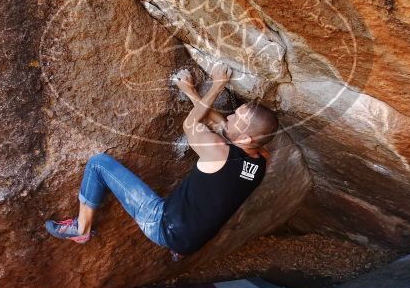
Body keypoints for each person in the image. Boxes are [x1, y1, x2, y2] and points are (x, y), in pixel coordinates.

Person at [45, 63, 279, 260]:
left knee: (98, 164)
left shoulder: (218, 151)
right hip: (193, 241)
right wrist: (191, 92)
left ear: (246, 139)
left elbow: (191, 124)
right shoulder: (261, 160)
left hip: (162, 225)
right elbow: (222, 126)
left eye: (236, 117)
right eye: (236, 112)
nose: (230, 115)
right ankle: (177, 249)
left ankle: (82, 228)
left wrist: (217, 86)